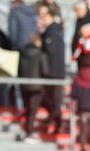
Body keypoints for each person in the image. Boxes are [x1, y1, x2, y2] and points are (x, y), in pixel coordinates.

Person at [39, 5, 66, 134]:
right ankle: (55, 122)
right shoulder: (54, 30)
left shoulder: (52, 31)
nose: (42, 19)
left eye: (44, 16)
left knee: (54, 99)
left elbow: (50, 51)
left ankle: (56, 122)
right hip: (54, 73)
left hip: (54, 73)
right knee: (53, 100)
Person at [18, 33, 48, 139]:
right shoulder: (41, 55)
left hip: (24, 85)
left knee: (28, 108)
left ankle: (26, 130)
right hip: (37, 86)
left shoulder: (22, 53)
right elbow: (45, 70)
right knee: (32, 110)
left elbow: (19, 70)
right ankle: (29, 132)